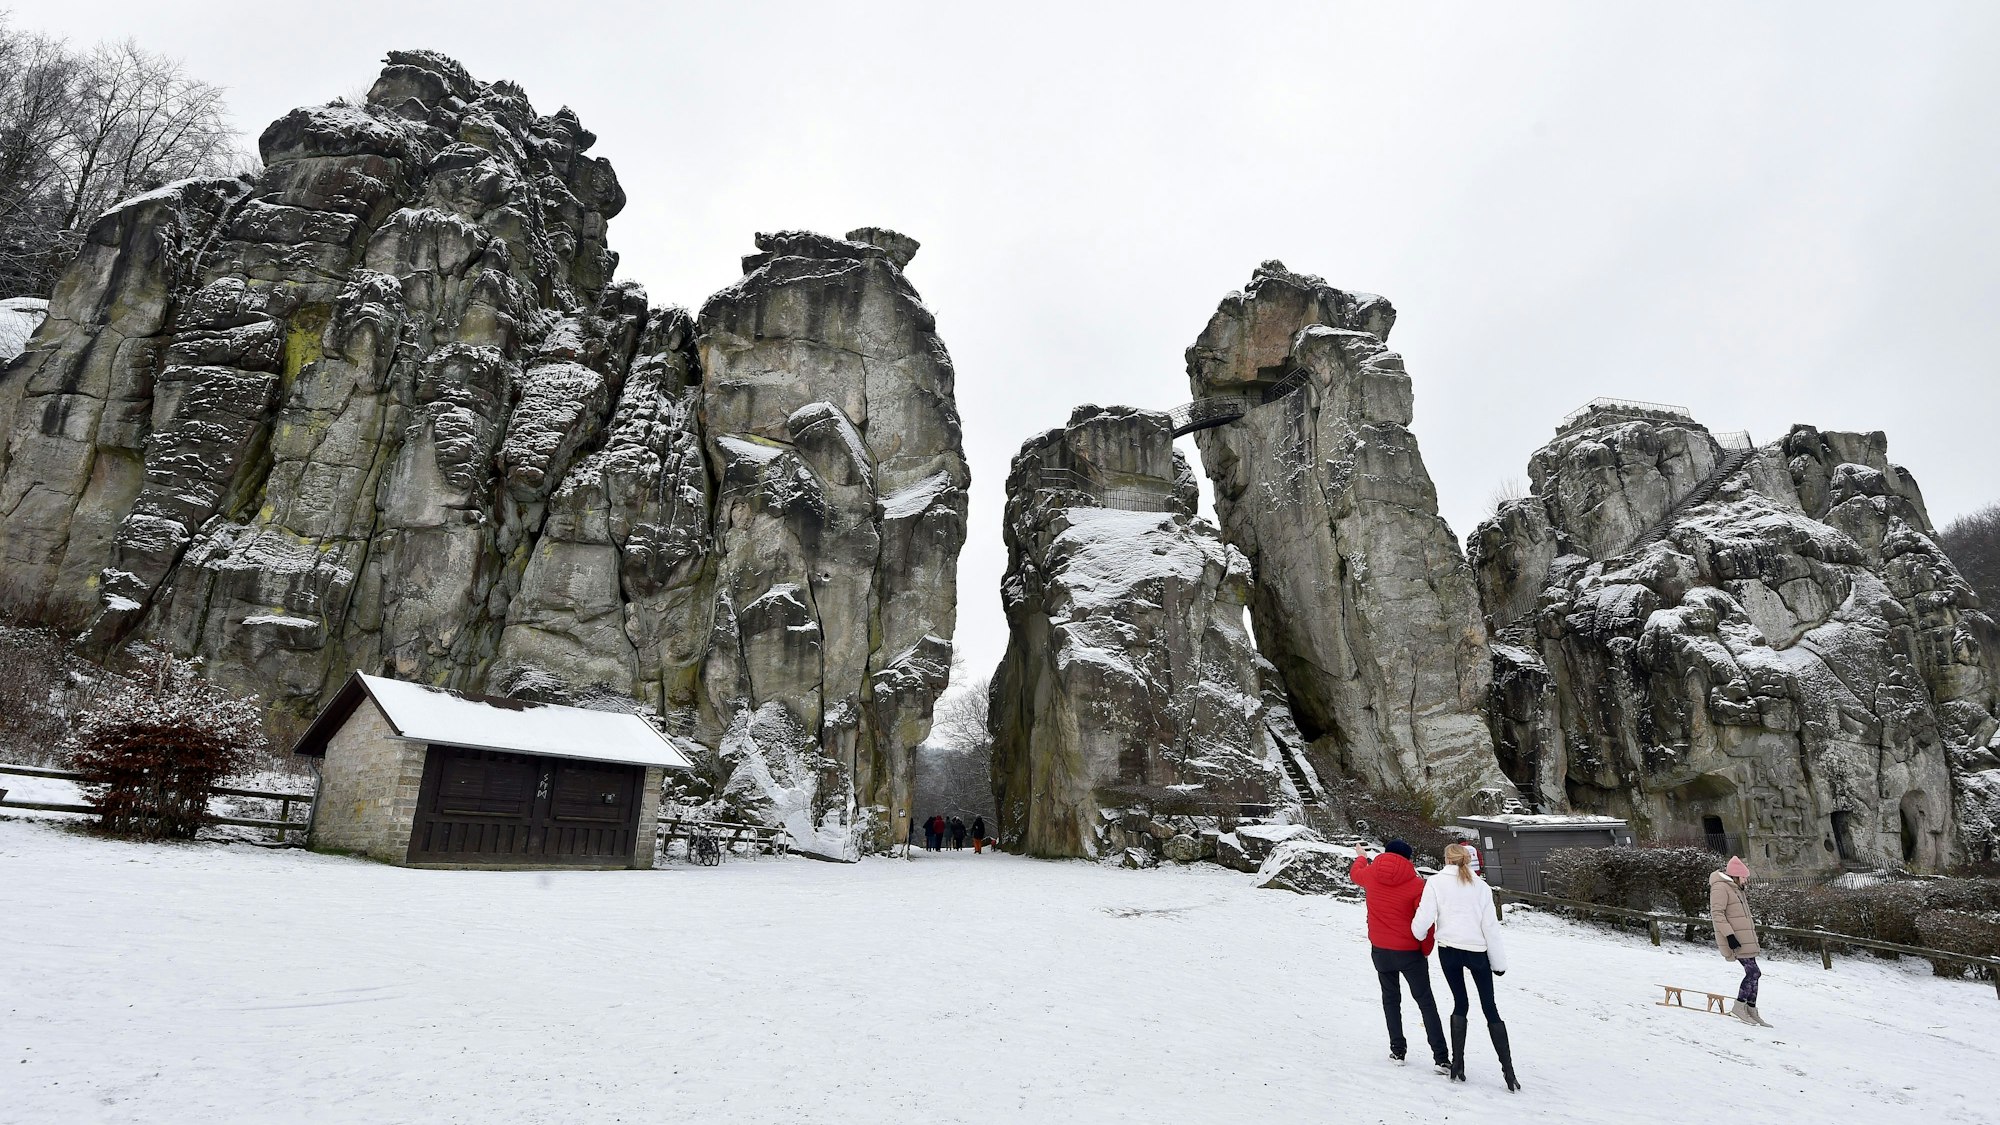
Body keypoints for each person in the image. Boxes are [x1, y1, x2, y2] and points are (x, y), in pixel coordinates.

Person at [1411, 843, 1518, 1091]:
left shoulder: (1435, 883)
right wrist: (1498, 964)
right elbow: (1490, 927)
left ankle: (1457, 1065)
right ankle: (1509, 1072)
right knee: (1490, 1007)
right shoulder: (1481, 887)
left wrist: (1417, 934)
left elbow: (1424, 918)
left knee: (1461, 1003)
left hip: (1448, 950)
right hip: (1477, 952)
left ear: (1446, 858)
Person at [1350, 839, 1449, 1073]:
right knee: (1426, 1002)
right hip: (1409, 952)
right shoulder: (1418, 885)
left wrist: (1361, 855)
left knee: (1390, 1000)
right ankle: (1441, 1058)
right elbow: (1426, 924)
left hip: (1381, 950)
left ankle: (1398, 1051)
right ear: (1409, 859)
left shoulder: (1370, 875)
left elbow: (1356, 874)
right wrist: (1425, 951)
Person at [1710, 856, 1770, 1027]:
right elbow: (1717, 914)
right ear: (1736, 876)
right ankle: (1739, 1007)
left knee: (1755, 974)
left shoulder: (1737, 889)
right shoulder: (1721, 888)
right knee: (1753, 973)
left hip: (1745, 939)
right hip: (1735, 940)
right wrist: (1729, 936)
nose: (1746, 880)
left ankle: (1751, 1010)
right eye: (1744, 877)